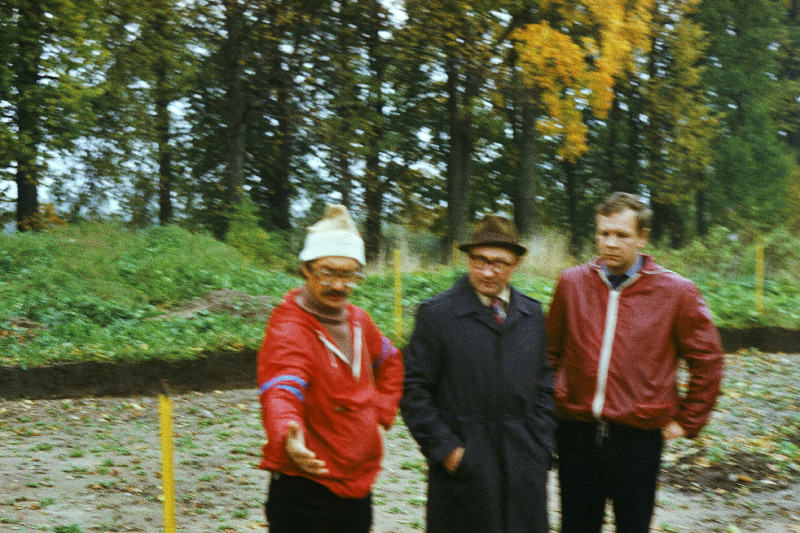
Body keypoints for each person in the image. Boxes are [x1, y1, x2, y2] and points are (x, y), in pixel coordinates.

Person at [546, 192, 724, 533]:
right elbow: (550, 352)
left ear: (642, 237)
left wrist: (687, 421)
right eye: (603, 233)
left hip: (637, 435)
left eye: (622, 235)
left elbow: (708, 360)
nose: (610, 243)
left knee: (633, 525)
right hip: (576, 430)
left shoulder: (676, 292)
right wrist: (552, 403)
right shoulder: (572, 283)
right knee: (576, 524)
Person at [400, 214, 556, 533]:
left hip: (523, 462)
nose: (487, 271)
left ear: (516, 264)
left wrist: (539, 446)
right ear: (468, 259)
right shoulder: (438, 314)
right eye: (479, 260)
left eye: (498, 262)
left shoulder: (531, 314)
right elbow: (413, 390)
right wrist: (448, 450)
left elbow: (545, 386)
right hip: (465, 464)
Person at [256, 204, 404, 533]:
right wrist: (287, 434)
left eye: (348, 275)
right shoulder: (289, 329)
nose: (338, 285)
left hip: (357, 484)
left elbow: (390, 360)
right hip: (306, 488)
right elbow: (282, 387)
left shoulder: (359, 321)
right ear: (305, 269)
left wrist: (380, 407)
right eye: (328, 272)